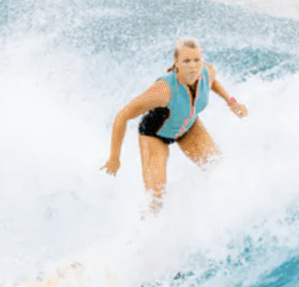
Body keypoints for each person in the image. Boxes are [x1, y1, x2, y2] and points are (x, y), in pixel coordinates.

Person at [102, 37, 248, 207]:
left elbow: (211, 81)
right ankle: (142, 229)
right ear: (176, 62)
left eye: (197, 60)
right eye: (186, 61)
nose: (193, 66)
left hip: (188, 127)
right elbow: (123, 115)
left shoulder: (207, 71)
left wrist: (231, 102)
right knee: (156, 199)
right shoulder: (163, 90)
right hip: (155, 135)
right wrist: (114, 158)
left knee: (218, 169)